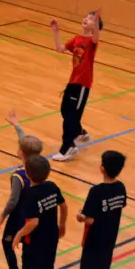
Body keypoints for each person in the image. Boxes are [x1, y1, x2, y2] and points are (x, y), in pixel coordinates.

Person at [69, 150, 127, 269]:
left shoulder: (97, 192)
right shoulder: (121, 188)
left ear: (102, 167)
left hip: (94, 242)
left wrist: (79, 216)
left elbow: (89, 219)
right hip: (109, 241)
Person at [10, 154, 69, 269]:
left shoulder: (30, 195)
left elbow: (33, 222)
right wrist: (62, 225)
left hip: (35, 243)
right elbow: (64, 205)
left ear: (27, 174)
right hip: (51, 238)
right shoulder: (52, 187)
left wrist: (19, 235)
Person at [0, 111, 45, 269]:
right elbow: (26, 143)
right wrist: (16, 126)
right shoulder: (40, 167)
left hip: (18, 217)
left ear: (20, 153)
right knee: (27, 244)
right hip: (35, 215)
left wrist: (2, 216)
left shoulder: (19, 176)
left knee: (7, 243)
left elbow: (13, 200)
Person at [47, 11, 102, 161]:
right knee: (65, 110)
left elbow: (97, 36)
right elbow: (60, 48)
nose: (86, 19)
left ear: (95, 25)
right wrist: (56, 31)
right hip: (72, 81)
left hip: (83, 84)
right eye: (86, 17)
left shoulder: (92, 42)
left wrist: (96, 23)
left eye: (91, 19)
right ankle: (80, 133)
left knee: (71, 116)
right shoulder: (77, 39)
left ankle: (68, 148)